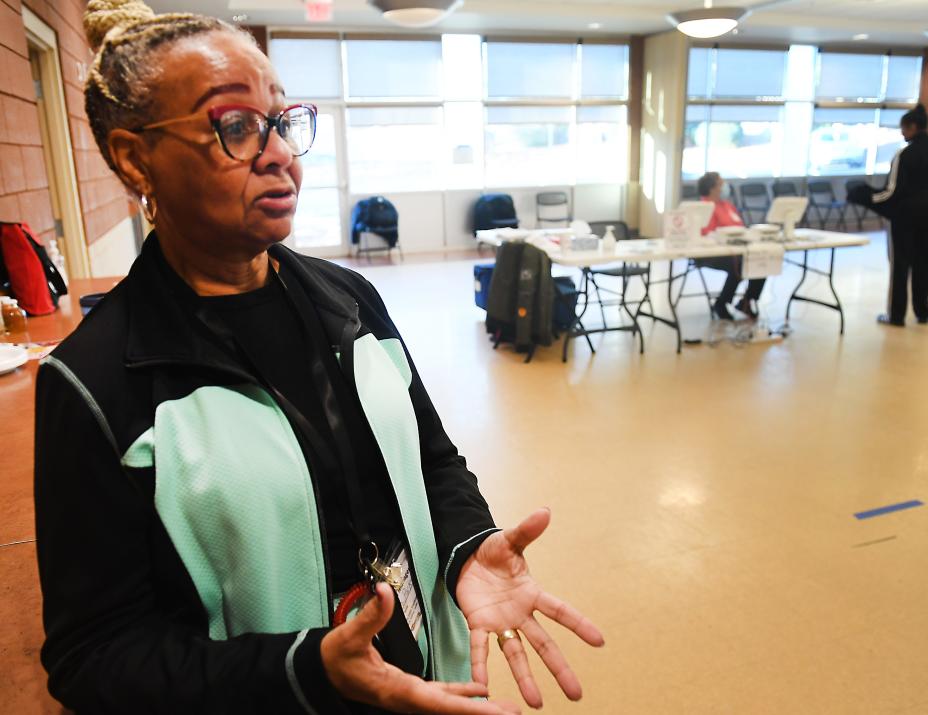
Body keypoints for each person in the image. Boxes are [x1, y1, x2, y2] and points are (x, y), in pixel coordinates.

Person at [33, 2, 603, 713]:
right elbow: (96, 656)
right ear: (133, 157)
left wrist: (466, 545)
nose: (280, 154)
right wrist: (304, 668)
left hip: (426, 675)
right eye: (234, 127)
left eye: (279, 121)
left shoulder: (351, 298)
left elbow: (431, 459)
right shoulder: (94, 385)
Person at [867, 104, 928, 326]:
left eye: (903, 129)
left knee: (901, 264)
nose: (902, 134)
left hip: (905, 218)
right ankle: (923, 312)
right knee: (924, 262)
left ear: (913, 127)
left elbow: (892, 190)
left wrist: (868, 198)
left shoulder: (905, 154)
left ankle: (896, 316)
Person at [694, 172, 766, 320]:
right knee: (739, 264)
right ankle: (721, 303)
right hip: (712, 254)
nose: (725, 187)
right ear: (712, 188)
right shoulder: (704, 207)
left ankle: (747, 301)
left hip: (736, 249)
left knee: (762, 259)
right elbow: (706, 234)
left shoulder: (727, 205)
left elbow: (740, 226)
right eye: (721, 184)